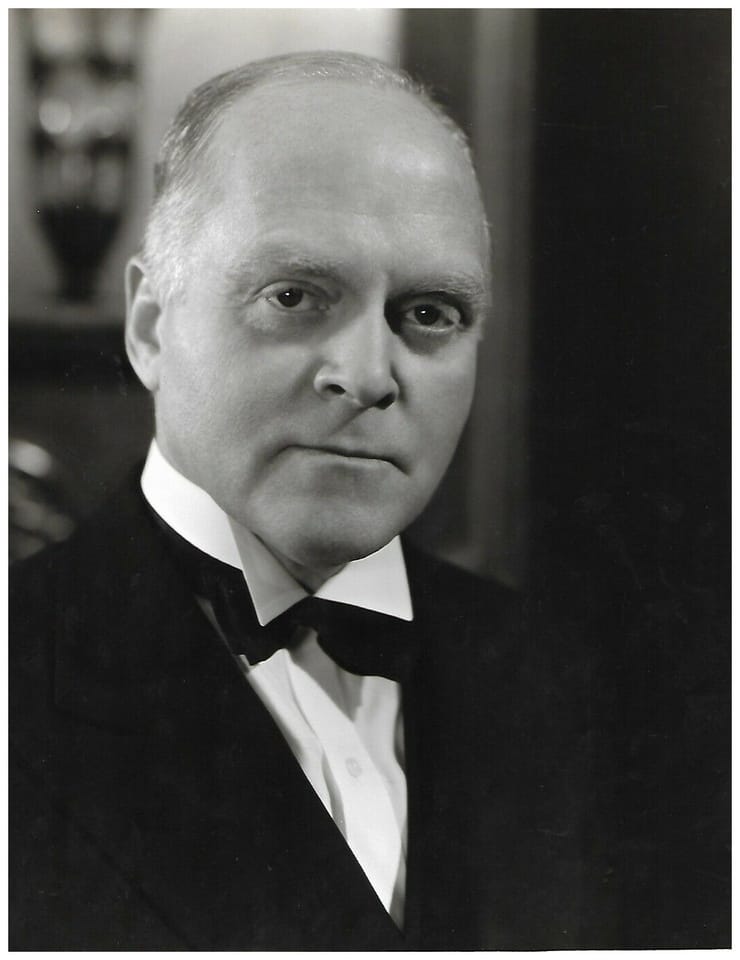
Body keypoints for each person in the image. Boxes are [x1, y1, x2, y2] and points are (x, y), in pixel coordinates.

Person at [9, 51, 595, 950]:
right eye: (294, 297)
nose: (368, 376)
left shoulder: (568, 684)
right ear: (151, 326)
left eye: (429, 313)